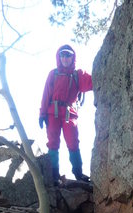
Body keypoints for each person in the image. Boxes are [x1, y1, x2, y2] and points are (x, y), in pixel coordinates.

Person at [39, 44, 93, 184]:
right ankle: (54, 175)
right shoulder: (53, 74)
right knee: (53, 143)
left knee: (73, 142)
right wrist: (42, 113)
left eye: (68, 55)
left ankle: (78, 173)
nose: (65, 58)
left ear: (73, 57)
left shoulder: (78, 74)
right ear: (59, 57)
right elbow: (46, 94)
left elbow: (94, 81)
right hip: (53, 114)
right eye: (62, 55)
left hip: (70, 114)